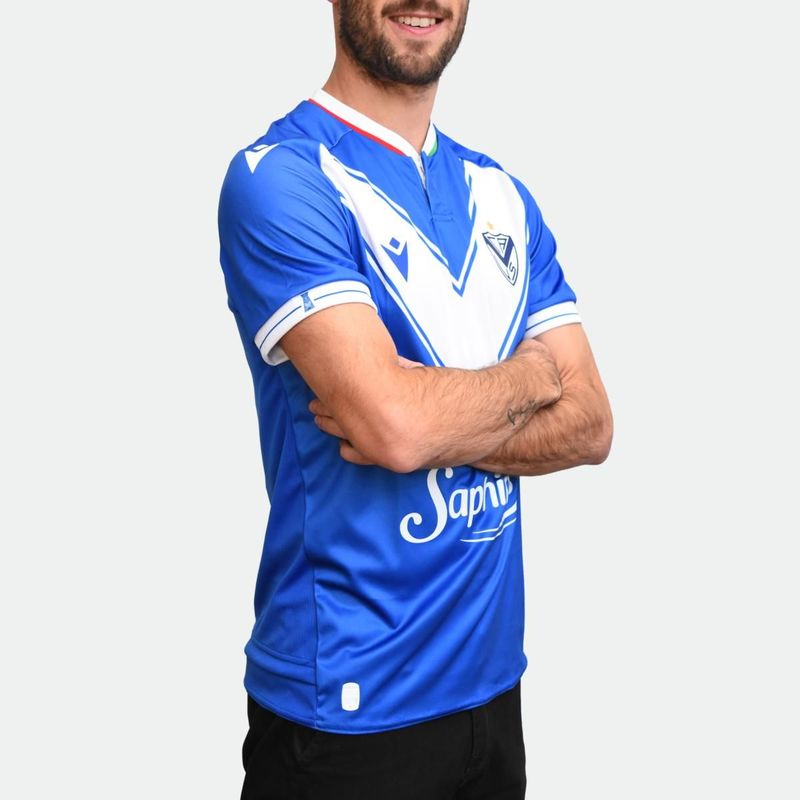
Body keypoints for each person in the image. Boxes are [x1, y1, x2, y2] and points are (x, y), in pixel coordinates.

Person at [217, 1, 613, 797]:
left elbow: (592, 423)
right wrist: (532, 379)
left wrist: (431, 417)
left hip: (493, 692)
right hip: (347, 714)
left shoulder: (503, 194)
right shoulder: (283, 176)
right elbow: (396, 428)